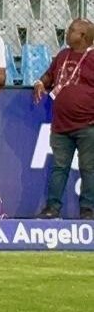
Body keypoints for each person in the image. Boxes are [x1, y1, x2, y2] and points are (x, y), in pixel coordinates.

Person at [33, 18, 94, 220]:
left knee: (88, 169)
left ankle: (87, 210)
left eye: (71, 30)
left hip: (87, 125)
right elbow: (49, 76)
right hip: (60, 126)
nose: (67, 33)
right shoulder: (62, 55)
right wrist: (41, 83)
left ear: (83, 36)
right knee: (59, 168)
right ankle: (52, 208)